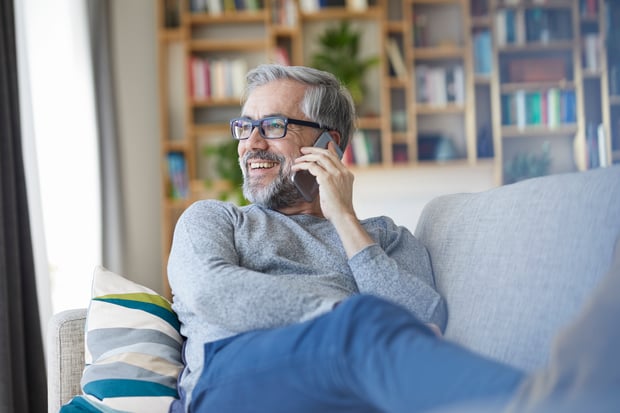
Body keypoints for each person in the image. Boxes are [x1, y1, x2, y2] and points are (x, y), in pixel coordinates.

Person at [167, 64, 527, 413]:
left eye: (273, 126)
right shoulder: (214, 218)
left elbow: (422, 324)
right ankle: (544, 400)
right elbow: (209, 291)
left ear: (328, 144)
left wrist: (343, 217)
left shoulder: (382, 237)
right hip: (229, 379)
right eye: (244, 127)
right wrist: (344, 315)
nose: (251, 143)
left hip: (348, 386)